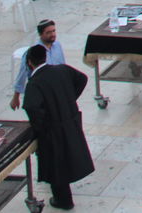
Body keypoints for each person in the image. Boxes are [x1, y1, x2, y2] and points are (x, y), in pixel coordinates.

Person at [21, 42, 94, 210]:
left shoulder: (35, 83)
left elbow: (32, 107)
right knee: (65, 159)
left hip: (52, 128)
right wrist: (68, 100)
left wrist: (41, 125)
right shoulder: (61, 70)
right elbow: (82, 78)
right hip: (69, 120)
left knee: (56, 164)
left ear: (30, 62)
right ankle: (63, 198)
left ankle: (63, 200)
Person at [11, 19, 66, 110]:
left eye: (53, 31)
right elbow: (22, 74)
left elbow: (63, 66)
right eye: (48, 32)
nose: (53, 34)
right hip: (41, 91)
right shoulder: (34, 52)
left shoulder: (57, 46)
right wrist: (15, 97)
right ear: (41, 34)